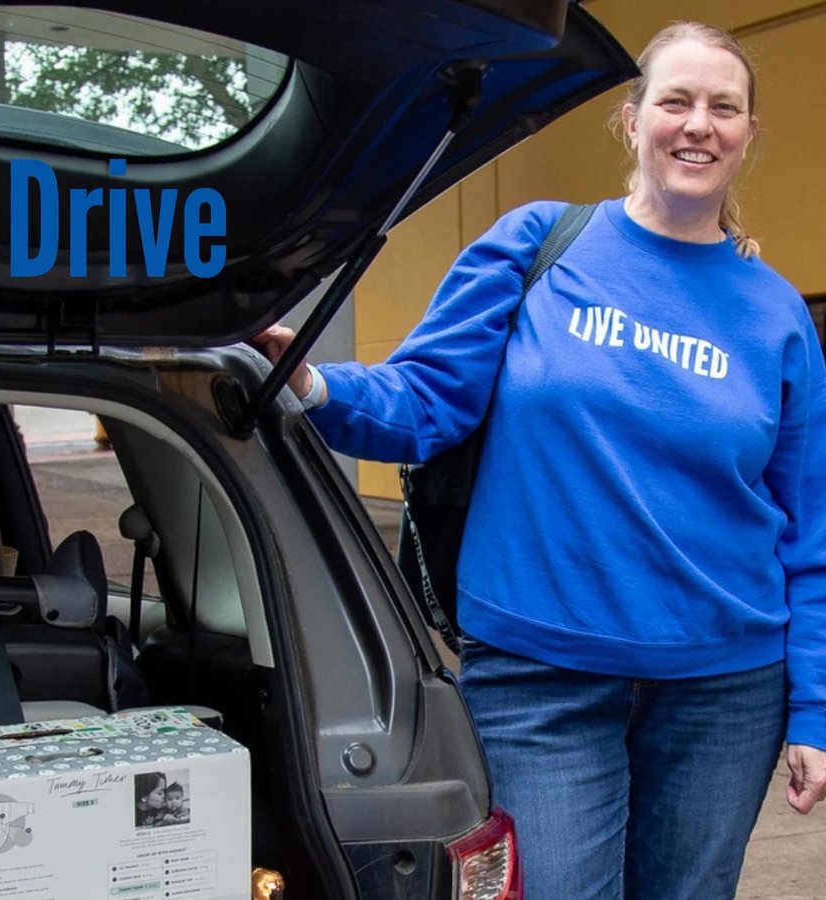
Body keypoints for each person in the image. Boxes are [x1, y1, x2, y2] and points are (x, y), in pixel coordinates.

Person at [254, 20, 826, 900]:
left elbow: (811, 531)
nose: (699, 124)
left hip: (723, 690)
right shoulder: (537, 245)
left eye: (725, 107)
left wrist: (816, 708)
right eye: (675, 100)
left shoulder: (778, 315)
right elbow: (426, 401)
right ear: (632, 121)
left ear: (748, 134)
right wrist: (314, 387)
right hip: (540, 679)